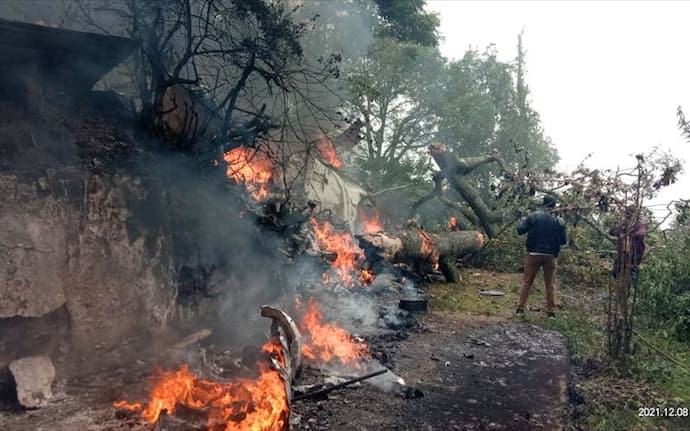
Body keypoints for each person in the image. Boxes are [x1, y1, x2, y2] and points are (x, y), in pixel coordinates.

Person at [515, 195, 568, 318]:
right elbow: (563, 241)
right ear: (555, 205)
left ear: (543, 203)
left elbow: (520, 230)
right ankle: (551, 313)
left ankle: (520, 309)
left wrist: (522, 220)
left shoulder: (533, 216)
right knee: (550, 284)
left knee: (527, 282)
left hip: (533, 253)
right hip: (550, 256)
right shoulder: (559, 220)